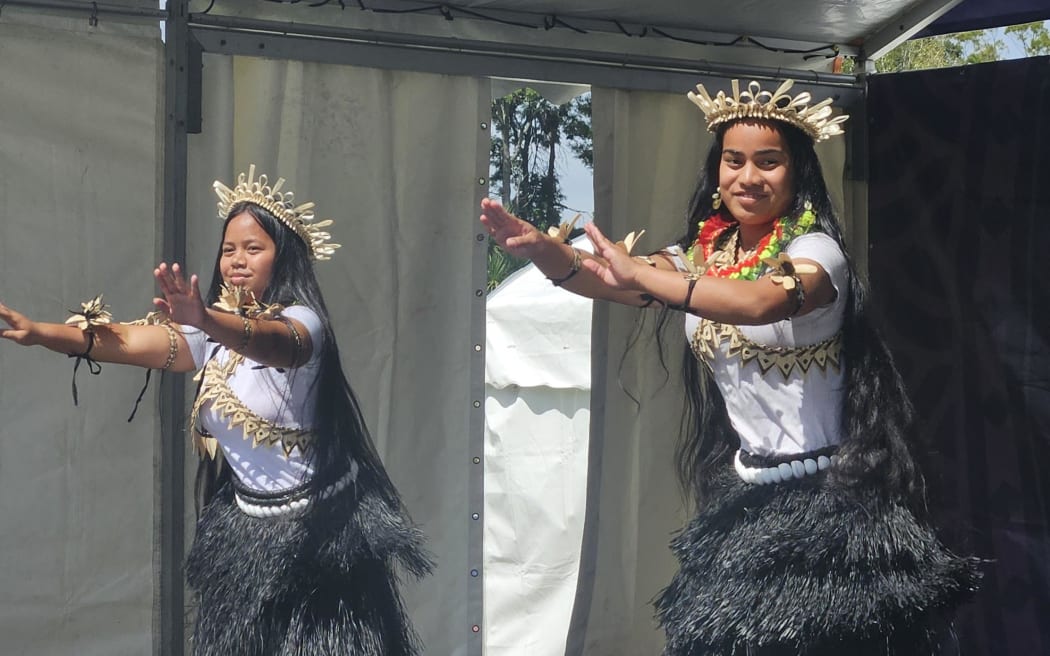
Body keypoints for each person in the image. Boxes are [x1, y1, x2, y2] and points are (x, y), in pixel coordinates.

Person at [480, 80, 980, 655]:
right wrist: (546, 250)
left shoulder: (817, 253)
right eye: (734, 160)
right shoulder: (703, 254)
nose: (749, 177)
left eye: (769, 162)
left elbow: (761, 301)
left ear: (797, 173)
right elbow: (610, 279)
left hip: (832, 502)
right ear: (717, 170)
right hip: (748, 495)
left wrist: (643, 275)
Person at [1, 165, 431, 656]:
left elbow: (276, 347)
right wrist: (42, 334)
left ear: (282, 257)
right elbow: (131, 342)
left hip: (319, 539)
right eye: (229, 250)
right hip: (245, 526)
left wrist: (205, 318)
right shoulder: (210, 336)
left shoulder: (301, 323)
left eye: (253, 249)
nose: (237, 261)